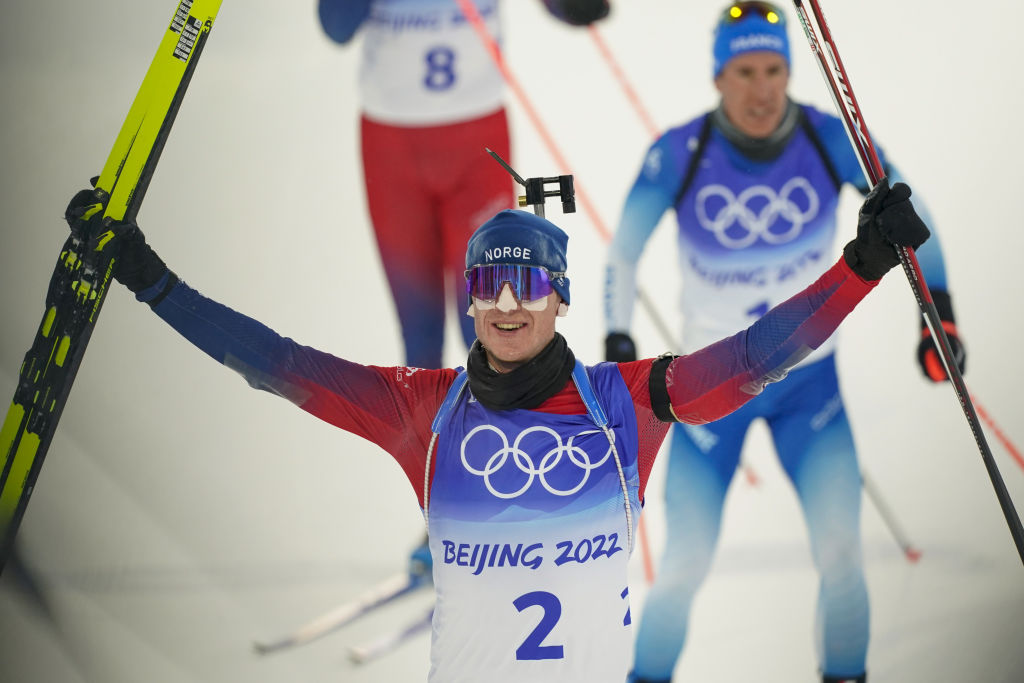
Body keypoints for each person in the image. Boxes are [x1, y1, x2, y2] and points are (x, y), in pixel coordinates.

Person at [64, 167, 928, 681]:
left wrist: (860, 266)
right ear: (469, 298)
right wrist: (153, 281)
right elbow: (279, 364)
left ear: (558, 296)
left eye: (528, 284)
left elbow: (752, 357)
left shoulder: (625, 400)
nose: (508, 304)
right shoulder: (421, 410)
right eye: (488, 285)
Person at [602, 3, 965, 683]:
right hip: (711, 388)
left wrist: (937, 315)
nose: (762, 89)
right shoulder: (681, 151)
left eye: (774, 69)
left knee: (841, 556)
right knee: (682, 564)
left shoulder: (829, 138)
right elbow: (623, 254)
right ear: (718, 76)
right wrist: (620, 340)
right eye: (744, 71)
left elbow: (915, 215)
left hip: (809, 387)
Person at [316, 0, 610, 370]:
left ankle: (502, 427)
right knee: (420, 334)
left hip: (477, 147)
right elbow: (336, 27)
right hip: (393, 149)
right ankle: (433, 427)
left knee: (488, 318)